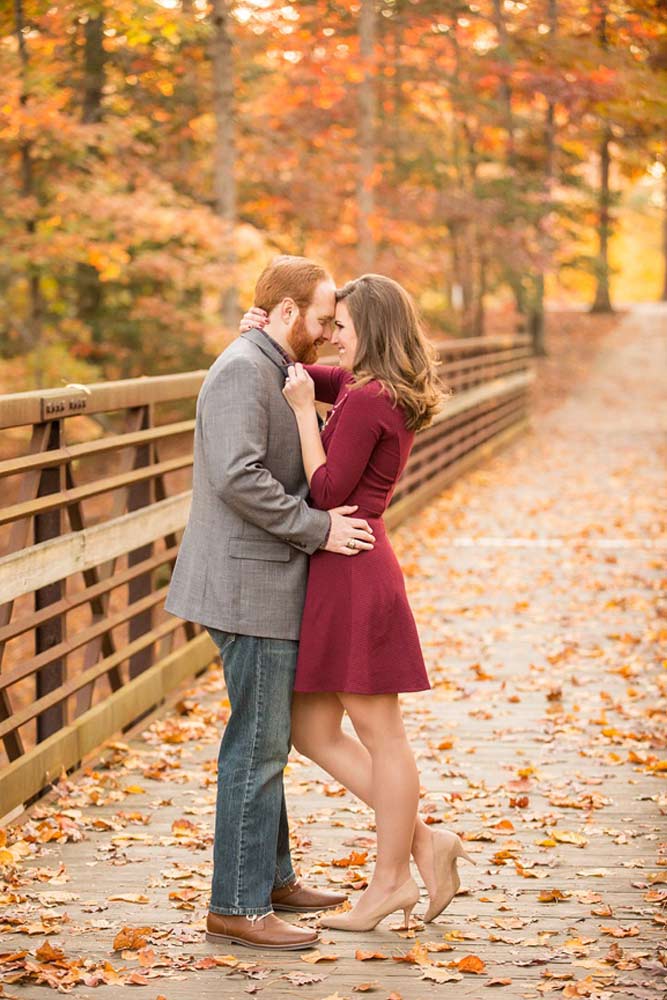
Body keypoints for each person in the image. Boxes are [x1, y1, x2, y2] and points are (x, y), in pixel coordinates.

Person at [243, 274, 476, 932]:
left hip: (355, 570)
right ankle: (426, 841)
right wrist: (268, 340)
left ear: (370, 330)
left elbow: (324, 492)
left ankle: (390, 881)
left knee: (382, 735)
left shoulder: (371, 399)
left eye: (341, 326)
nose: (330, 336)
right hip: (338, 574)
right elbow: (314, 375)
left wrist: (296, 415)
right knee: (312, 731)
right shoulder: (362, 387)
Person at [165, 255, 377, 951]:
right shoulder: (240, 371)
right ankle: (236, 904)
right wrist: (317, 528)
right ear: (285, 313)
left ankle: (272, 878)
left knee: (265, 741)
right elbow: (237, 478)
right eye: (319, 319)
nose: (324, 334)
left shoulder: (266, 360)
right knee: (254, 748)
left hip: (259, 582)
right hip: (245, 588)